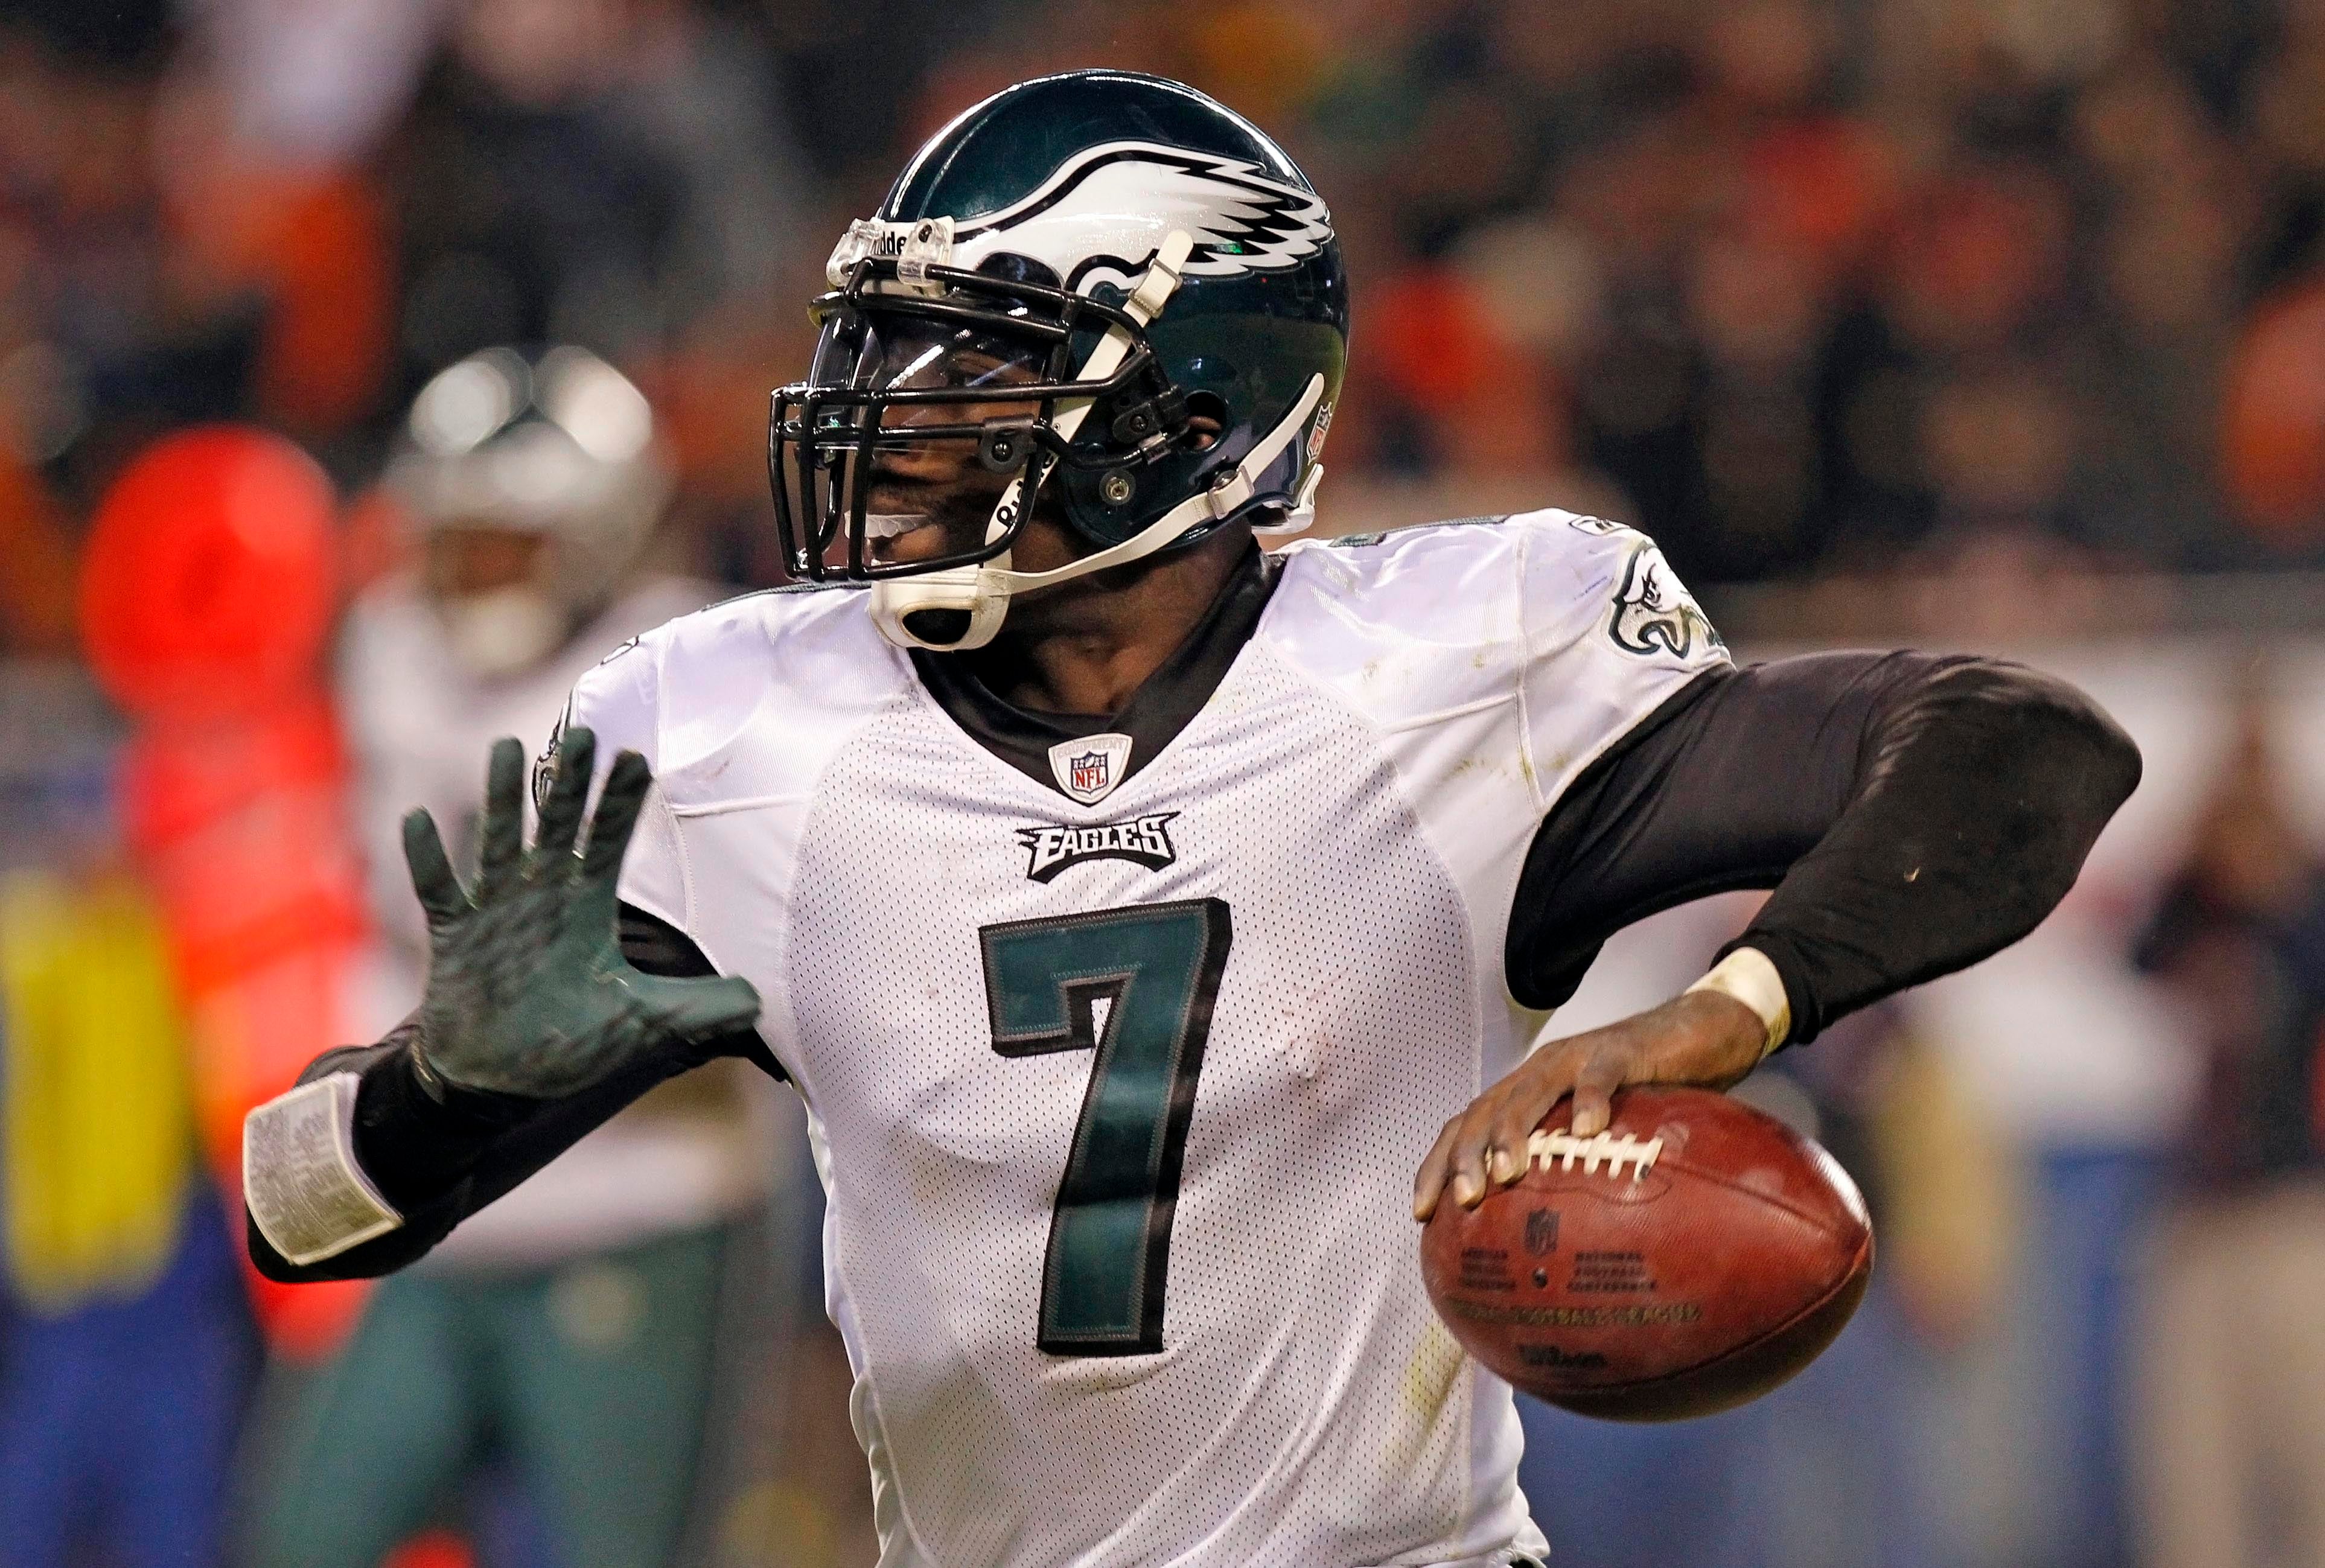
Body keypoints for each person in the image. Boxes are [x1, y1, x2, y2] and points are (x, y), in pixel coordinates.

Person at [240, 71, 2140, 1568]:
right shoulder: (739, 727)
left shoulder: (1444, 672)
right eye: (882, 354)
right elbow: (303, 1211)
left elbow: (2019, 747)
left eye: (971, 367)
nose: (890, 419)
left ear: (1199, 409)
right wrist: (439, 1095)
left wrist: (1725, 1011)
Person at [238, 347, 780, 1568]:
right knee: (302, 1535)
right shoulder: (380, 640)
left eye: (516, 537)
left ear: (600, 538)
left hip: (630, 1208)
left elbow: (741, 992)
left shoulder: (697, 673)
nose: (478, 564)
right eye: (461, 532)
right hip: (422, 1203)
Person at [2128, 690, 2325, 1568]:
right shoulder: (2195, 900)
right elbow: (2141, 950)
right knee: (2192, 1466)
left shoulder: (2307, 900)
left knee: (2309, 1454)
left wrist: (2278, 885)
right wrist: (2205, 850)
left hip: (2297, 1211)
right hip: (2198, 1209)